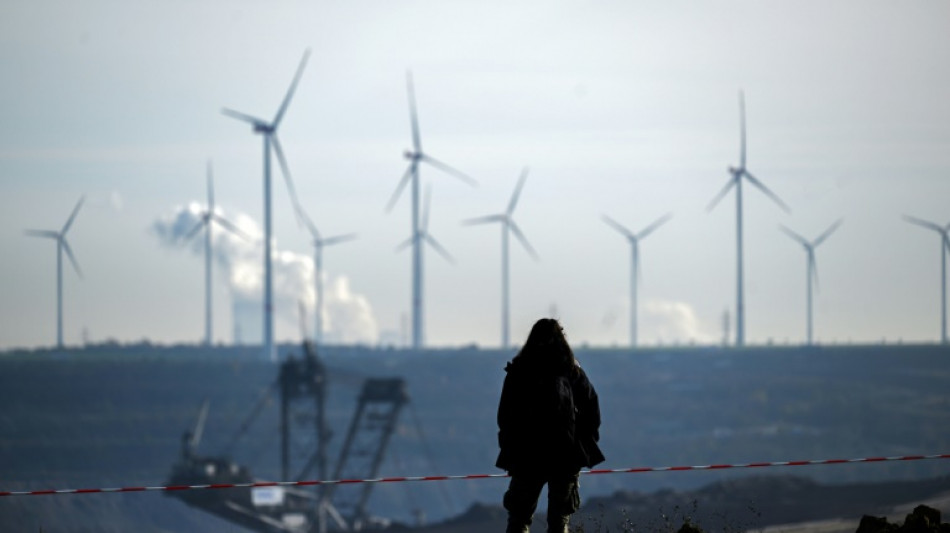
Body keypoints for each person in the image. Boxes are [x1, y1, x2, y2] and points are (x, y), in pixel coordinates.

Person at [496, 318, 605, 533]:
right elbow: (591, 408)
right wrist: (584, 442)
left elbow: (506, 416)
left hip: (527, 455)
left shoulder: (519, 371)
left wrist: (510, 449)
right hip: (565, 455)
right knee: (559, 521)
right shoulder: (571, 371)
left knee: (519, 519)